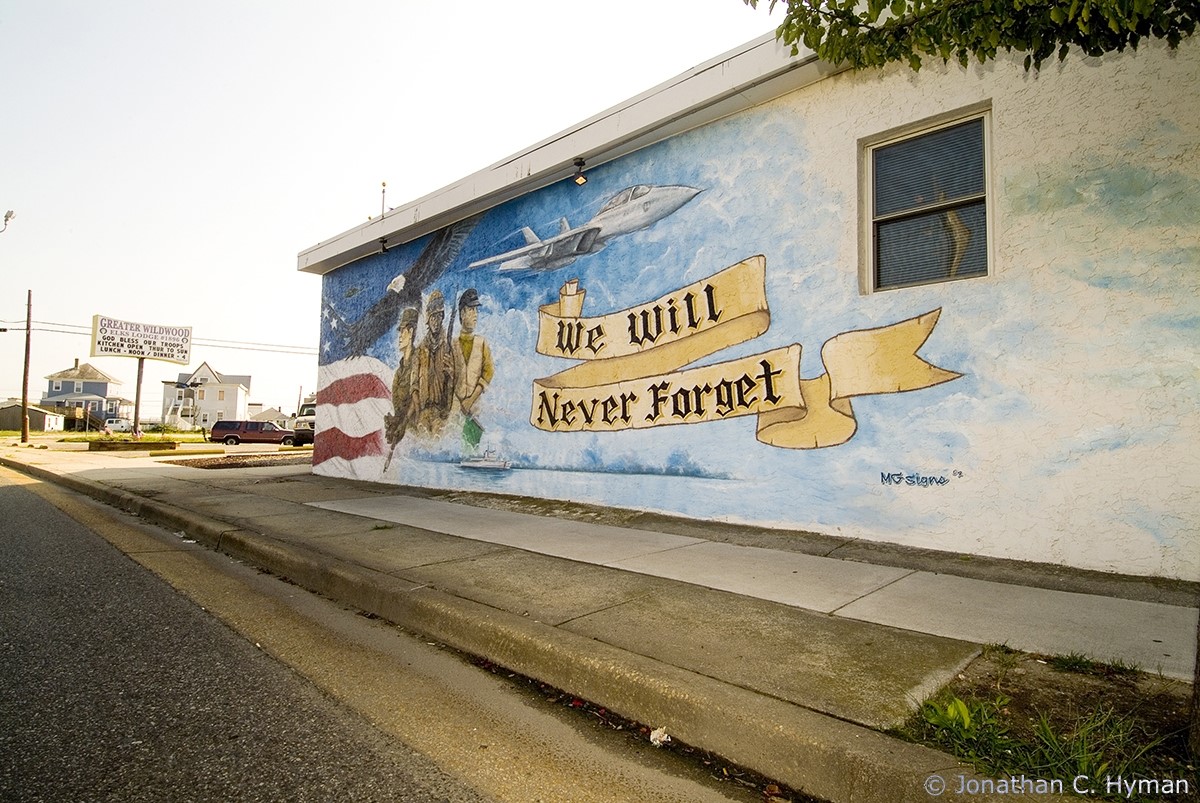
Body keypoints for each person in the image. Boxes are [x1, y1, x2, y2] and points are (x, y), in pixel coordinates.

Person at [451, 288, 494, 449]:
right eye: (471, 310)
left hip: (474, 411)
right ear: (462, 313)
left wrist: (471, 399)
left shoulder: (482, 343)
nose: (475, 314)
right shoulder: (451, 344)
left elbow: (488, 372)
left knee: (472, 448)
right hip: (454, 412)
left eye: (476, 310)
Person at [410, 290, 454, 434]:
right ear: (428, 319)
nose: (436, 321)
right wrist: (418, 411)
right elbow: (414, 385)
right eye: (433, 317)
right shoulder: (420, 350)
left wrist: (452, 373)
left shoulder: (448, 348)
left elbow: (451, 385)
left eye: (439, 316)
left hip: (440, 414)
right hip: (422, 412)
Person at [383, 307, 418, 449]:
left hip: (416, 434)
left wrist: (403, 425)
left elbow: (417, 399)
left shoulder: (418, 363)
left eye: (402, 331)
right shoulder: (399, 372)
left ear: (410, 332)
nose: (400, 336)